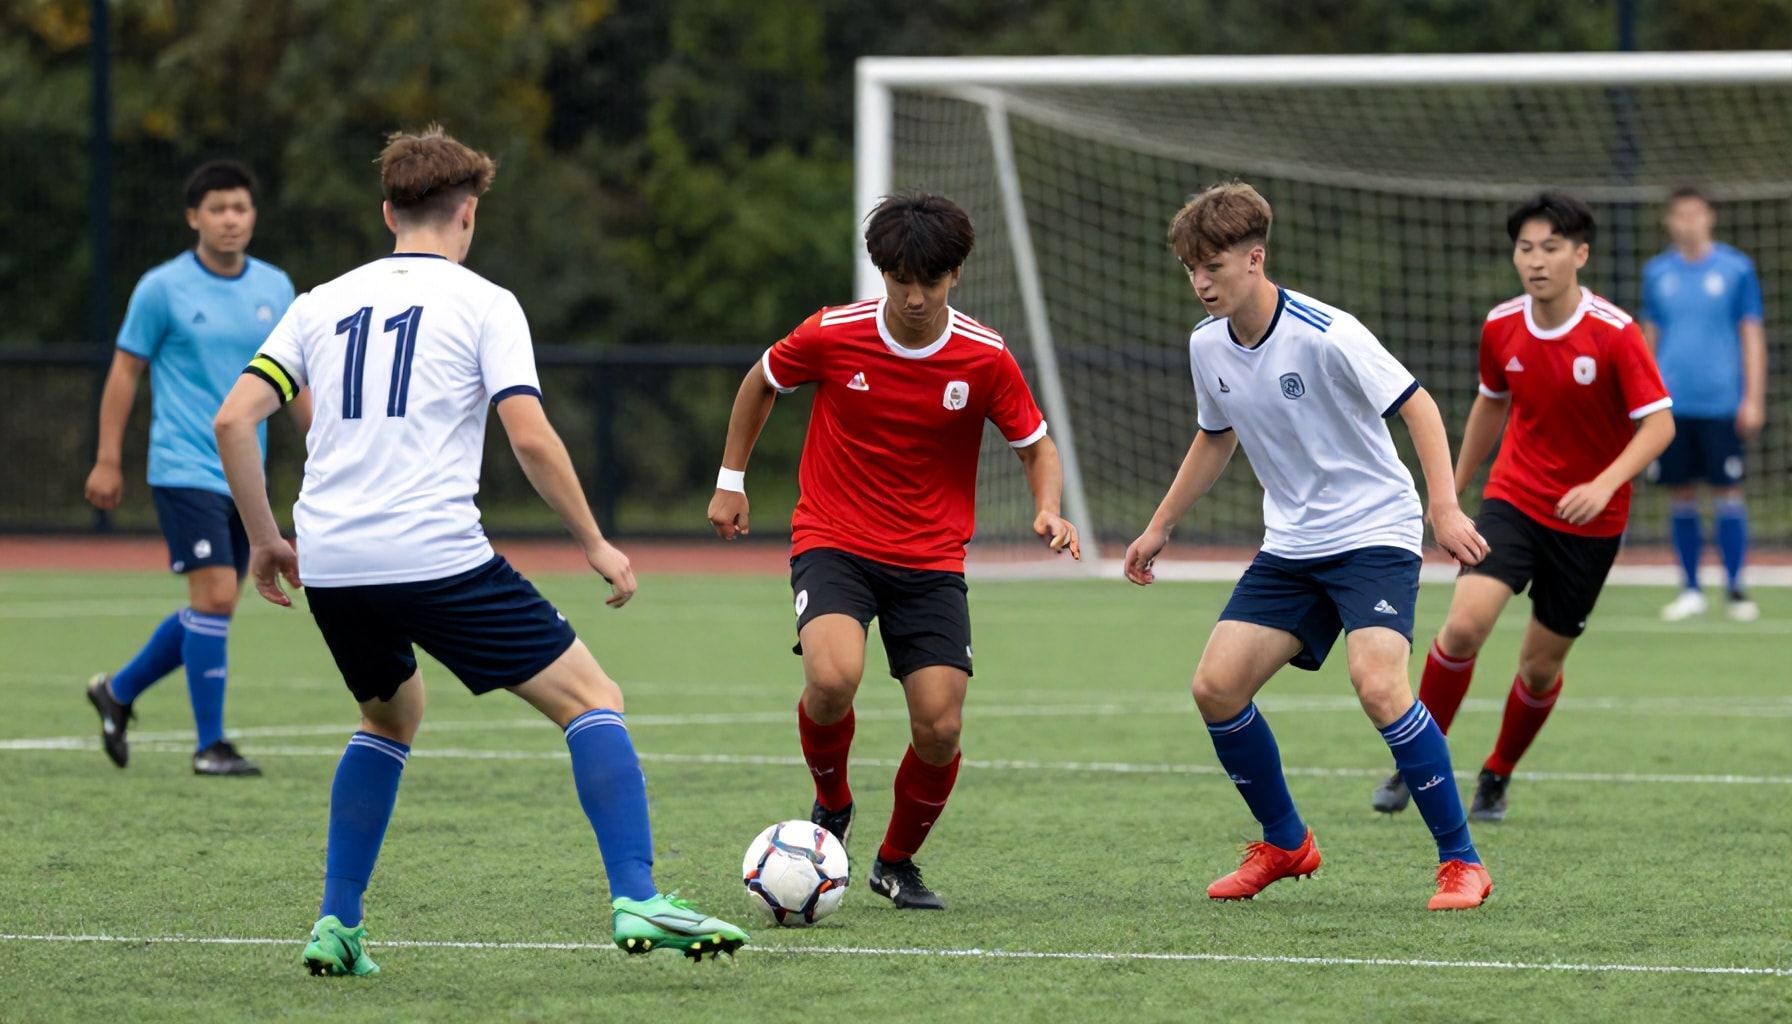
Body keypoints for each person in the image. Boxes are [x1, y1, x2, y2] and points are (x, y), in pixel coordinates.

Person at [212, 125, 747, 975]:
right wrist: (596, 543)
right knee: (592, 697)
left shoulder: (318, 301)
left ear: (389, 211)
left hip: (337, 562)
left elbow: (234, 420)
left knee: (389, 715)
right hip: (434, 554)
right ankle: (639, 895)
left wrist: (268, 539)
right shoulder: (484, 301)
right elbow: (529, 437)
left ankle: (337, 924)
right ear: (467, 217)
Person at [1124, 181, 1494, 911]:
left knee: (1380, 685)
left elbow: (1417, 405)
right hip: (1292, 544)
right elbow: (1214, 435)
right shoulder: (1208, 346)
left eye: (1214, 266)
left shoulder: (1328, 332)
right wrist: (1160, 523)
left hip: (1374, 532)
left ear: (1254, 258)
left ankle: (1462, 862)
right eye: (1190, 268)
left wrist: (1443, 508)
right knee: (1216, 687)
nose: (1200, 282)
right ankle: (1287, 841)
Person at [706, 190, 1080, 911]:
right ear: (882, 273)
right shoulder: (832, 332)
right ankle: (833, 804)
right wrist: (731, 481)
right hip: (834, 539)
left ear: (956, 275)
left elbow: (1036, 447)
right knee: (832, 677)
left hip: (932, 557)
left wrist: (1048, 508)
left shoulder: (984, 356)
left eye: (929, 282)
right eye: (900, 280)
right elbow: (762, 382)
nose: (914, 297)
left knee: (940, 724)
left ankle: (895, 862)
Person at [1372, 192, 1675, 823]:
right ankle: (1415, 760)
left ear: (1580, 254)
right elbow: (1491, 402)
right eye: (1525, 248)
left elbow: (1659, 425)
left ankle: (1497, 776)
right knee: (1462, 626)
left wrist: (1604, 484)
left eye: (1552, 247)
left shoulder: (1614, 334)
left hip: (1590, 523)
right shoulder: (1502, 324)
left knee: (1539, 670)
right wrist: (1450, 490)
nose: (1536, 261)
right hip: (1513, 498)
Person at [83, 159, 301, 777]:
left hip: (245, 474)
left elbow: (297, 383)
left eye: (240, 207)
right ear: (193, 218)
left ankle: (117, 692)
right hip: (182, 465)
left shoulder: (277, 288)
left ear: (253, 216)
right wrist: (106, 458)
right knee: (211, 597)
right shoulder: (162, 288)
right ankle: (211, 746)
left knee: (218, 608)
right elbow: (125, 372)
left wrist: (327, 446)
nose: (230, 219)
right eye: (217, 209)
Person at [1641, 186, 1767, 622]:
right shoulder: (1657, 273)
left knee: (1728, 492)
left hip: (1722, 402)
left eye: (1696, 214)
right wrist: (1644, 399)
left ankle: (1735, 588)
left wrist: (1752, 397)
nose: (1688, 222)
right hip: (1672, 406)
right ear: (1669, 221)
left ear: (1710, 217)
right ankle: (1690, 587)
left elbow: (1751, 335)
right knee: (1681, 494)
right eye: (1680, 215)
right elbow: (1649, 338)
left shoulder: (1736, 269)